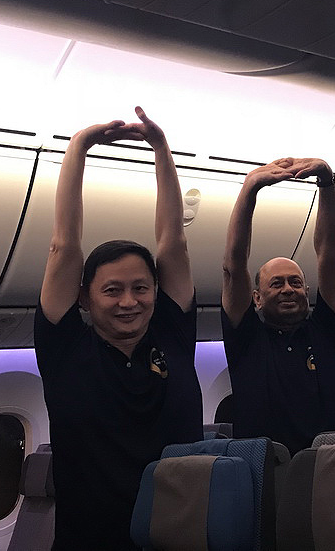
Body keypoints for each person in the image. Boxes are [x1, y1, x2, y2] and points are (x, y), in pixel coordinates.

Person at [36, 108, 202, 551]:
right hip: (89, 540)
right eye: (112, 290)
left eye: (140, 288)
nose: (129, 302)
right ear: (85, 297)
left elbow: (174, 241)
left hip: (180, 534)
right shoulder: (64, 347)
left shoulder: (172, 335)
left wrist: (161, 150)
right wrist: (78, 148)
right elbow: (63, 245)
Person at [222, 157, 335, 454]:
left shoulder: (327, 331)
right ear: (256, 297)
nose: (287, 290)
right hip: (266, 472)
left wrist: (327, 182)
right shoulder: (246, 338)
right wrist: (250, 190)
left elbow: (329, 253)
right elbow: (234, 264)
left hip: (334, 466)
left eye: (295, 282)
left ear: (306, 291)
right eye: (276, 283)